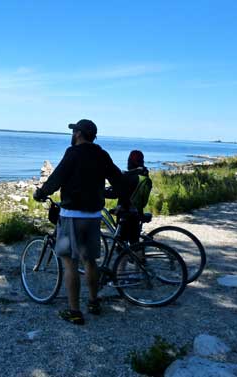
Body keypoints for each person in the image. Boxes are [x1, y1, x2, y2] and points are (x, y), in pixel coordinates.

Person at [33, 119, 123, 325]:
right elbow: (119, 179)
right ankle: (93, 301)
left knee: (70, 263)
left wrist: (40, 193)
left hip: (71, 215)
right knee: (90, 261)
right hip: (93, 217)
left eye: (74, 131)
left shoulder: (72, 153)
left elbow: (56, 179)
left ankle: (74, 311)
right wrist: (111, 194)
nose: (72, 135)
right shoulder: (102, 154)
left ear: (79, 134)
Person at [105, 150, 152, 244]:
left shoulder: (129, 177)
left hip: (126, 214)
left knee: (122, 245)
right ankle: (139, 257)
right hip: (137, 212)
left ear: (130, 161)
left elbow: (115, 194)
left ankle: (130, 257)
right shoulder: (143, 174)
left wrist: (101, 192)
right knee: (134, 243)